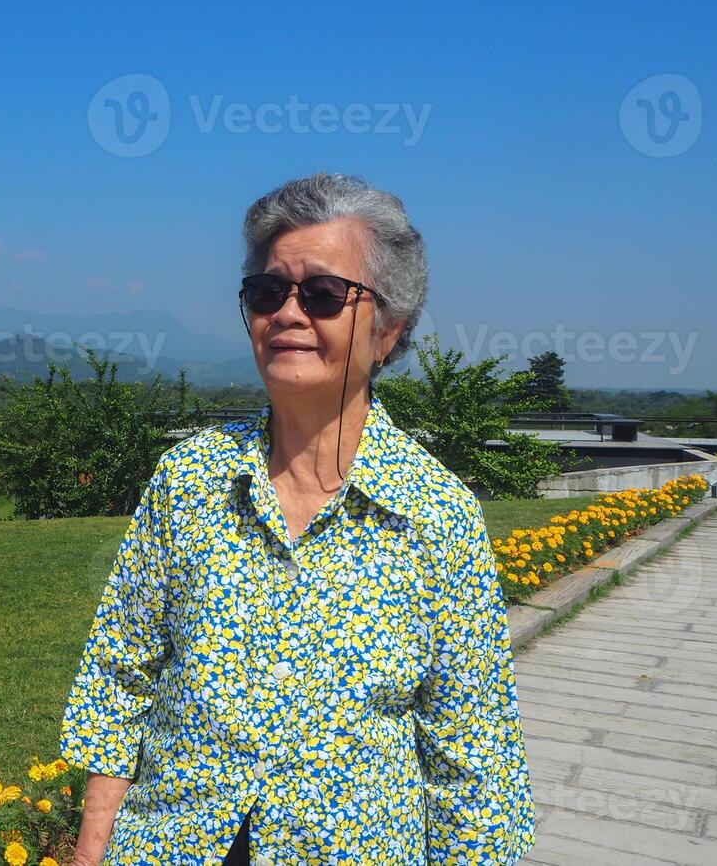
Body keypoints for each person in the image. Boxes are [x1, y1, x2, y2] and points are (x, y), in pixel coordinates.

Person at [58, 172, 537, 865]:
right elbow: (119, 673)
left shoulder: (436, 516)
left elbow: (473, 754)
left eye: (320, 294)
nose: (285, 313)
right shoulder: (188, 480)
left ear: (388, 331)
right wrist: (89, 850)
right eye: (265, 291)